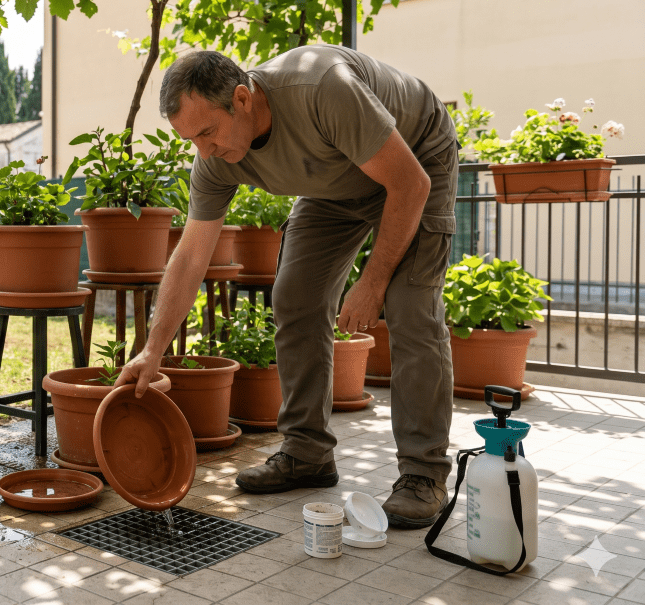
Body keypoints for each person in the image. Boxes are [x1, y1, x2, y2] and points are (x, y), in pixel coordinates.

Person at [116, 46, 458, 529]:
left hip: (414, 159)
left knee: (410, 308)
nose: (204, 151)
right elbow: (192, 254)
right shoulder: (215, 160)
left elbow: (410, 185)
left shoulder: (323, 89)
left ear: (242, 98)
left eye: (208, 132)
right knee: (296, 296)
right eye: (191, 140)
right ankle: (307, 452)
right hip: (336, 187)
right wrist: (152, 350)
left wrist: (373, 282)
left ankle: (424, 474)